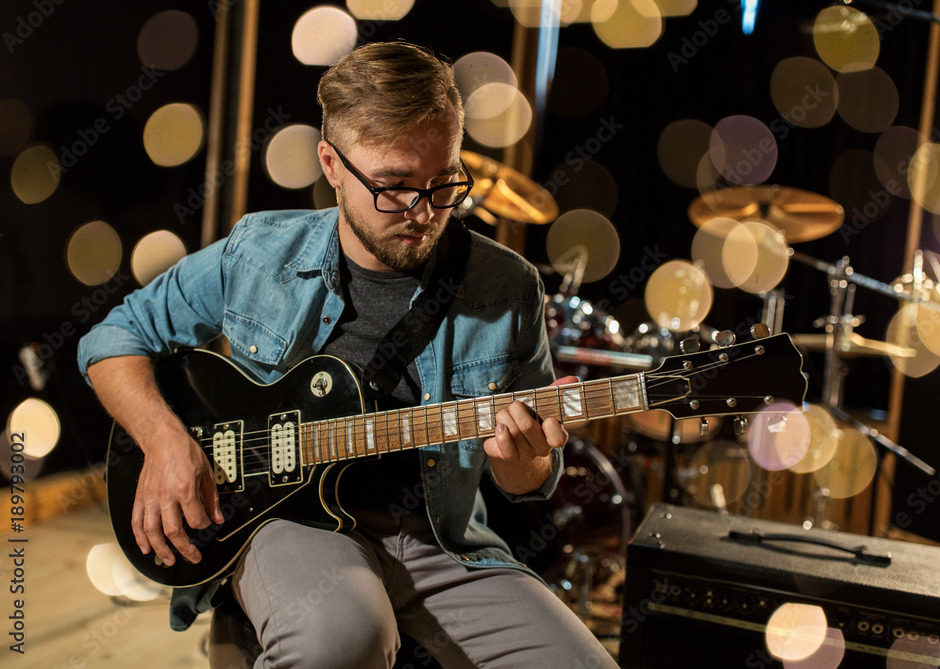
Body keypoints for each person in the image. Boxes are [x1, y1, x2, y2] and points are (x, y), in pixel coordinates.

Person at [78, 41, 620, 668]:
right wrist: (166, 441)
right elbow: (111, 340)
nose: (423, 213)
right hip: (289, 523)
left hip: (440, 537)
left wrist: (519, 458)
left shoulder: (509, 286)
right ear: (332, 165)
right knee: (344, 638)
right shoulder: (259, 252)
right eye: (393, 186)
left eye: (443, 183)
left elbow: (528, 479)